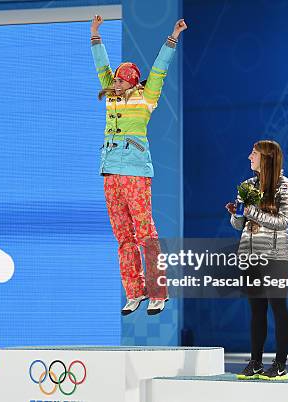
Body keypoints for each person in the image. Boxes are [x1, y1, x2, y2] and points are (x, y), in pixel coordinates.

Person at [90, 15, 187, 316]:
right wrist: (95, 35)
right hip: (110, 173)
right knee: (123, 236)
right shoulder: (111, 98)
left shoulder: (146, 98)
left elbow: (159, 70)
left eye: (119, 80)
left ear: (131, 81)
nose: (114, 83)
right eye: (114, 80)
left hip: (135, 172)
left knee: (145, 232)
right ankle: (134, 291)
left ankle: (158, 292)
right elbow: (102, 67)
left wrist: (173, 38)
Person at [226, 140, 288, 380]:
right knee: (256, 309)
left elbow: (283, 222)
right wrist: (236, 214)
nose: (249, 157)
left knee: (278, 306)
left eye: (253, 154)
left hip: (275, 255)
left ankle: (280, 365)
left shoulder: (284, 186)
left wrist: (250, 211)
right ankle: (255, 362)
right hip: (249, 255)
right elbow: (240, 225)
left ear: (266, 158)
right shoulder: (247, 186)